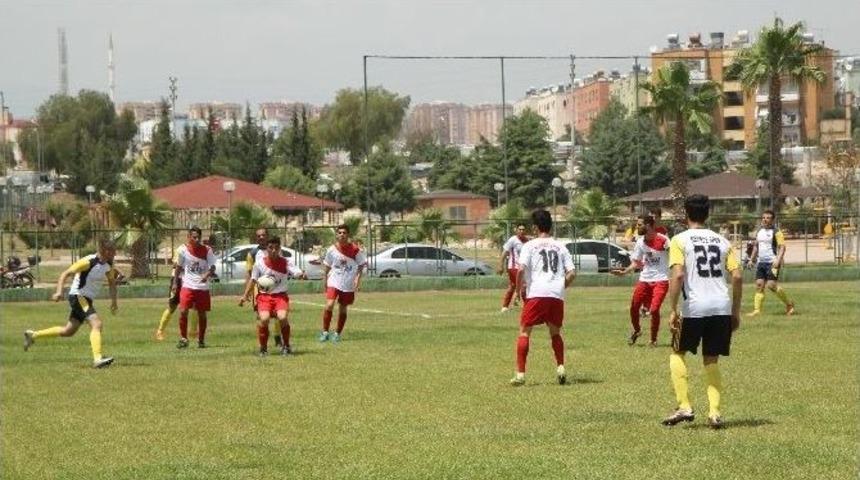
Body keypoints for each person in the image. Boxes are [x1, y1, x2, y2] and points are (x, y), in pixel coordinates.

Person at [662, 194, 742, 429]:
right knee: (711, 360)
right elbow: (736, 276)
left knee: (677, 353)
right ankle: (715, 413)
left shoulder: (679, 240)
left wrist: (673, 309)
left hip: (694, 307)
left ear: (686, 213)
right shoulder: (723, 241)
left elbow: (677, 274)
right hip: (720, 307)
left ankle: (684, 406)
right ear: (708, 214)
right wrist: (735, 312)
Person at [23, 240, 120, 368]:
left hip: (87, 299)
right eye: (113, 250)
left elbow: (112, 282)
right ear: (105, 251)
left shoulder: (109, 264)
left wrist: (114, 302)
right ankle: (97, 358)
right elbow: (65, 274)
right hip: (78, 296)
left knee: (68, 331)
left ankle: (33, 335)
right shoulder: (88, 261)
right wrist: (59, 292)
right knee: (96, 324)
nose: (115, 253)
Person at [510, 209, 576, 386]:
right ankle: (560, 366)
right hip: (556, 294)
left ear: (534, 227)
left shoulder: (529, 246)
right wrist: (560, 288)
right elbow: (572, 273)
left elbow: (521, 270)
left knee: (525, 331)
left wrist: (517, 291)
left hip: (536, 293)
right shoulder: (560, 246)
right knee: (555, 332)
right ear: (551, 226)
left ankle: (520, 375)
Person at [611, 215, 670, 347]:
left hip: (661, 280)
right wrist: (624, 272)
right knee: (634, 308)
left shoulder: (663, 240)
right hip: (644, 279)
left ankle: (653, 340)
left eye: (639, 224)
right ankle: (637, 331)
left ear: (648, 225)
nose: (637, 227)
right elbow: (636, 262)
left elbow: (675, 256)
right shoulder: (640, 242)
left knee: (654, 310)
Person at [240, 236, 304, 356]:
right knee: (264, 319)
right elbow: (253, 280)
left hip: (280, 296)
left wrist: (300, 274)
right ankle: (263, 348)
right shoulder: (259, 263)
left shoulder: (285, 262)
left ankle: (286, 346)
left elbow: (296, 271)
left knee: (282, 317)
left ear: (279, 248)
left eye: (276, 248)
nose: (273, 250)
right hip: (264, 297)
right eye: (271, 248)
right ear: (267, 249)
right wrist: (245, 296)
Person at [318, 224, 367, 344]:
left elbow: (362, 265)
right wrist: (325, 280)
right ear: (336, 235)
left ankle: (337, 334)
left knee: (343, 308)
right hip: (334, 281)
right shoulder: (331, 250)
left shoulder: (355, 250)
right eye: (339, 233)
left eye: (344, 233)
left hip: (348, 282)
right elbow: (327, 266)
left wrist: (357, 278)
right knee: (329, 304)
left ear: (348, 235)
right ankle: (325, 332)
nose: (342, 235)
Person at [174, 226, 217, 349]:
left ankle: (201, 340)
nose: (197, 239)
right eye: (194, 237)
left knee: (202, 314)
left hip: (202, 286)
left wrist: (207, 274)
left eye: (198, 237)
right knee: (183, 311)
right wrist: (175, 283)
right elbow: (178, 267)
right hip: (187, 285)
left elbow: (212, 266)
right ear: (189, 237)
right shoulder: (183, 250)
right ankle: (183, 338)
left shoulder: (207, 250)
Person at [747, 210, 795, 316]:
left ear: (773, 220)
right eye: (764, 217)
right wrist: (751, 259)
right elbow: (756, 246)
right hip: (761, 263)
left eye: (768, 218)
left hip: (772, 262)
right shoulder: (759, 231)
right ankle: (757, 310)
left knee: (771, 285)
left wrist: (778, 260)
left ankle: (789, 304)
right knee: (759, 285)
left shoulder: (776, 232)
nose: (765, 219)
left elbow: (782, 247)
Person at [499, 224, 528, 312]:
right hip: (513, 267)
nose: (522, 231)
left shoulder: (526, 241)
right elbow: (504, 253)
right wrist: (501, 265)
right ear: (517, 230)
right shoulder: (513, 240)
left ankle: (505, 306)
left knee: (512, 286)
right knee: (523, 285)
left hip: (523, 267)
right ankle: (527, 307)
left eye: (523, 229)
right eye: (520, 229)